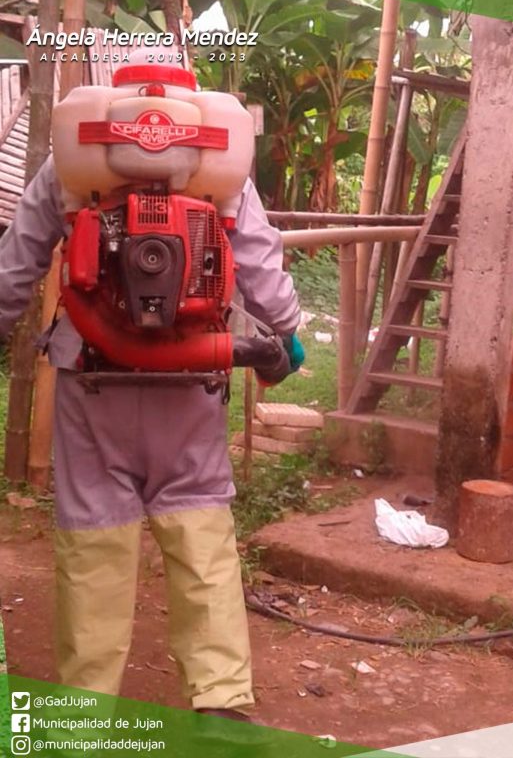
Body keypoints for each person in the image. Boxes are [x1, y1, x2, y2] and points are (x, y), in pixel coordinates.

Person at [0, 55, 302, 722]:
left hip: (93, 377)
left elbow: (16, 263)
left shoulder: (77, 160)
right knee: (198, 523)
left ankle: (85, 712)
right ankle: (220, 701)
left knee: (94, 534)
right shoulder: (219, 167)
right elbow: (260, 263)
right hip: (191, 376)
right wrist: (285, 335)